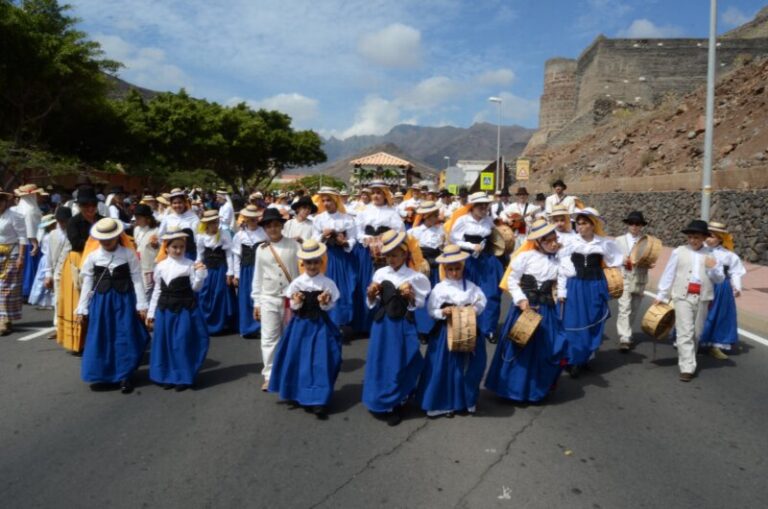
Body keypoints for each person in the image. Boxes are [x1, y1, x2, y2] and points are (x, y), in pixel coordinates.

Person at [485, 219, 568, 402]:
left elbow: (563, 277)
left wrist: (562, 294)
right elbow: (513, 281)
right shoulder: (525, 257)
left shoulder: (559, 259)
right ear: (537, 242)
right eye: (548, 241)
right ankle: (512, 390)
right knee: (520, 345)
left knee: (548, 347)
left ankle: (537, 389)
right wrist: (521, 300)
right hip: (525, 308)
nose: (553, 244)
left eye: (555, 239)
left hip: (546, 309)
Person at [363, 230, 431, 426]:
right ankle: (380, 399)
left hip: (401, 324)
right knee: (380, 360)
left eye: (395, 254)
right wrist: (371, 294)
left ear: (404, 254)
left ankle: (396, 400)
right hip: (382, 324)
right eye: (388, 255)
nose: (391, 259)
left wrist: (409, 296)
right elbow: (373, 301)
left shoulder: (414, 277)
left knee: (400, 360)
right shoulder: (380, 273)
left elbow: (418, 304)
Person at [269, 239, 342, 419]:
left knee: (320, 360)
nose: (312, 265)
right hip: (300, 326)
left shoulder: (327, 283)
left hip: (319, 325)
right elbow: (292, 306)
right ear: (303, 263)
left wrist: (324, 302)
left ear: (321, 262)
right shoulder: (297, 283)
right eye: (308, 262)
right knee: (298, 359)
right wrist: (297, 301)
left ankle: (319, 399)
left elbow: (330, 306)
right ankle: (299, 393)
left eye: (315, 261)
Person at [75, 218, 149, 393]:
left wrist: (141, 304)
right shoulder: (93, 257)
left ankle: (124, 375)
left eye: (110, 238)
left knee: (124, 336)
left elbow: (137, 278)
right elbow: (87, 283)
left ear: (117, 237)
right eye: (103, 239)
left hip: (124, 300)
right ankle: (104, 374)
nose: (106, 242)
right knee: (102, 337)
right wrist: (82, 308)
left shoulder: (128, 254)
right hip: (102, 302)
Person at [417, 245, 486, 417]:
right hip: (445, 332)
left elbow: (481, 302)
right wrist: (443, 312)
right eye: (451, 269)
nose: (454, 273)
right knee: (445, 367)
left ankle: (463, 401)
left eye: (457, 268)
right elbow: (431, 311)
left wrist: (472, 310)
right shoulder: (440, 289)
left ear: (462, 267)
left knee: (467, 366)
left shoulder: (471, 287)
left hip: (467, 328)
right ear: (445, 269)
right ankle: (444, 403)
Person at [655, 220, 724, 382]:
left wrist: (712, 268)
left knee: (697, 332)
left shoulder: (711, 254)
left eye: (697, 237)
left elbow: (719, 279)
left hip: (702, 296)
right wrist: (661, 294)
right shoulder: (679, 252)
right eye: (691, 237)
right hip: (682, 295)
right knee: (685, 330)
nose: (693, 240)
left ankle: (689, 357)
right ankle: (687, 367)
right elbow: (669, 273)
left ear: (704, 238)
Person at [558, 208, 622, 377]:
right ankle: (573, 360)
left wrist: (618, 270)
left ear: (593, 225)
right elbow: (562, 266)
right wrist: (562, 290)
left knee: (592, 319)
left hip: (595, 285)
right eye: (578, 224)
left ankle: (585, 357)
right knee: (574, 322)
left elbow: (614, 261)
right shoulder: (570, 242)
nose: (580, 227)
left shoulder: (603, 243)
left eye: (584, 223)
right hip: (575, 285)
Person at [146, 228, 209, 391]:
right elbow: (157, 290)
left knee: (181, 342)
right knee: (165, 343)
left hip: (184, 309)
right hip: (165, 309)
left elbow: (195, 288)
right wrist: (151, 313)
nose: (179, 250)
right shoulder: (160, 266)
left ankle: (183, 376)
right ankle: (167, 375)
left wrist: (201, 274)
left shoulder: (190, 265)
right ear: (166, 247)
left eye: (181, 246)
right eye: (175, 247)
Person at [251, 208, 300, 391]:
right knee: (270, 338)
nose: (273, 229)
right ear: (264, 228)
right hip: (269, 298)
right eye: (269, 226)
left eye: (276, 225)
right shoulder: (261, 249)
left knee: (291, 336)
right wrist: (256, 301)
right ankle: (269, 375)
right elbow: (258, 277)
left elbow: (302, 271)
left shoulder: (294, 246)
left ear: (282, 226)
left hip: (291, 299)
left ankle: (291, 373)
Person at [448, 191, 504, 341]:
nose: (484, 207)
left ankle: (489, 329)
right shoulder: (462, 221)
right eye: (480, 205)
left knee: (491, 293)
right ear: (472, 207)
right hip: (468, 260)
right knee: (467, 293)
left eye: (485, 205)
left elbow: (495, 236)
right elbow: (453, 240)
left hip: (487, 261)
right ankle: (467, 325)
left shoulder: (488, 220)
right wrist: (471, 246)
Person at [352, 181, 405, 334]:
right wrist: (367, 239)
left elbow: (400, 232)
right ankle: (364, 322)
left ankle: (385, 317)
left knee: (385, 283)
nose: (375, 195)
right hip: (367, 252)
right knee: (367, 282)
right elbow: (357, 231)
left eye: (379, 192)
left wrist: (385, 240)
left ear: (385, 194)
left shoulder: (392, 213)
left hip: (386, 252)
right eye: (373, 192)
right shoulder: (364, 211)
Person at [57, 187, 102, 353]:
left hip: (100, 262)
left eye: (92, 205)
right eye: (86, 205)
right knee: (79, 302)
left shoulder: (103, 220)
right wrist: (99, 242)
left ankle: (97, 339)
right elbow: (76, 243)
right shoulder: (73, 222)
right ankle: (78, 341)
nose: (90, 209)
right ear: (80, 206)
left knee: (97, 301)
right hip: (78, 262)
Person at [311, 187, 358, 329]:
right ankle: (327, 320)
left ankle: (343, 322)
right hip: (325, 257)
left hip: (343, 258)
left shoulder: (347, 218)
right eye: (323, 200)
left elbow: (353, 238)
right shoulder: (318, 219)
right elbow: (314, 239)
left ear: (336, 201)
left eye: (329, 200)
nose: (326, 203)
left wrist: (344, 242)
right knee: (324, 287)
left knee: (344, 288)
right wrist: (322, 236)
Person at [698, 222, 745, 360]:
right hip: (702, 284)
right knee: (699, 313)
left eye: (712, 236)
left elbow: (735, 272)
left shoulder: (728, 255)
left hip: (721, 287)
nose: (708, 239)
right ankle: (694, 341)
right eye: (707, 235)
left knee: (719, 315)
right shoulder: (699, 251)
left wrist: (737, 287)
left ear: (720, 238)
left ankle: (715, 345)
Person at [196, 209, 237, 335]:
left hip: (220, 269)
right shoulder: (201, 236)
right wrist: (198, 266)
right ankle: (207, 322)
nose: (215, 225)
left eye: (216, 222)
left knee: (220, 294)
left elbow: (229, 254)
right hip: (208, 270)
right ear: (206, 224)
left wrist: (230, 271)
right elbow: (200, 255)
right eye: (213, 223)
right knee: (206, 294)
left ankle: (221, 323)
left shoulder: (224, 234)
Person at [614, 211, 651, 351]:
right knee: (624, 307)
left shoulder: (647, 241)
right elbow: (613, 258)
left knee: (634, 308)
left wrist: (649, 263)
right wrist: (621, 261)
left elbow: (651, 259)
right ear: (628, 225)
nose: (634, 226)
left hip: (640, 277)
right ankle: (624, 337)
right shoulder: (619, 240)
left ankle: (627, 331)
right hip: (624, 275)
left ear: (641, 226)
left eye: (637, 224)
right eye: (631, 223)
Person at [232, 205, 266, 338]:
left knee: (260, 297)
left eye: (255, 218)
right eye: (250, 219)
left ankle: (261, 326)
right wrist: (236, 274)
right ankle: (247, 327)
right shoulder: (239, 236)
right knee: (246, 298)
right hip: (246, 269)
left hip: (261, 269)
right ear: (245, 219)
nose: (253, 221)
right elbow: (236, 256)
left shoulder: (264, 233)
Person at [0, 188, 28, 335]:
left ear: (5, 202)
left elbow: (22, 237)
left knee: (6, 288)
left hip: (11, 253)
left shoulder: (14, 216)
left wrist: (21, 257)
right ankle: (4, 317)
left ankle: (4, 320)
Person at [46, 206, 72, 339]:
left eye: (65, 221)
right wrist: (48, 275)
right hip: (57, 271)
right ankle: (57, 327)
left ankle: (70, 328)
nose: (62, 223)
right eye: (60, 221)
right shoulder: (51, 235)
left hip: (71, 272)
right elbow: (48, 256)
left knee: (71, 300)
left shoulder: (74, 233)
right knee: (57, 300)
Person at [14, 184, 42, 301]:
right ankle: (27, 291)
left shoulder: (18, 208)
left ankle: (20, 291)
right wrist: (35, 244)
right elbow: (30, 227)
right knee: (29, 268)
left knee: (21, 268)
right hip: (30, 240)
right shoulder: (30, 209)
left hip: (20, 241)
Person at [158, 188, 200, 259]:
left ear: (184, 203)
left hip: (189, 255)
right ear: (171, 204)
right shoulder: (168, 218)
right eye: (174, 203)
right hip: (171, 256)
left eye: (180, 202)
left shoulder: (193, 218)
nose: (177, 205)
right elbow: (161, 236)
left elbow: (198, 239)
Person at [28, 214, 57, 309]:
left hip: (46, 258)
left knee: (44, 279)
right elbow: (50, 250)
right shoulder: (49, 237)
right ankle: (46, 301)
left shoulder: (45, 235)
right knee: (46, 279)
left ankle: (45, 301)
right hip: (48, 258)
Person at [133, 204, 160, 301]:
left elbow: (160, 248)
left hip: (150, 266)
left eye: (139, 218)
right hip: (139, 265)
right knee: (140, 290)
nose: (137, 221)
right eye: (136, 218)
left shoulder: (156, 231)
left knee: (148, 290)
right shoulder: (136, 229)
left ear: (147, 218)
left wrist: (156, 245)